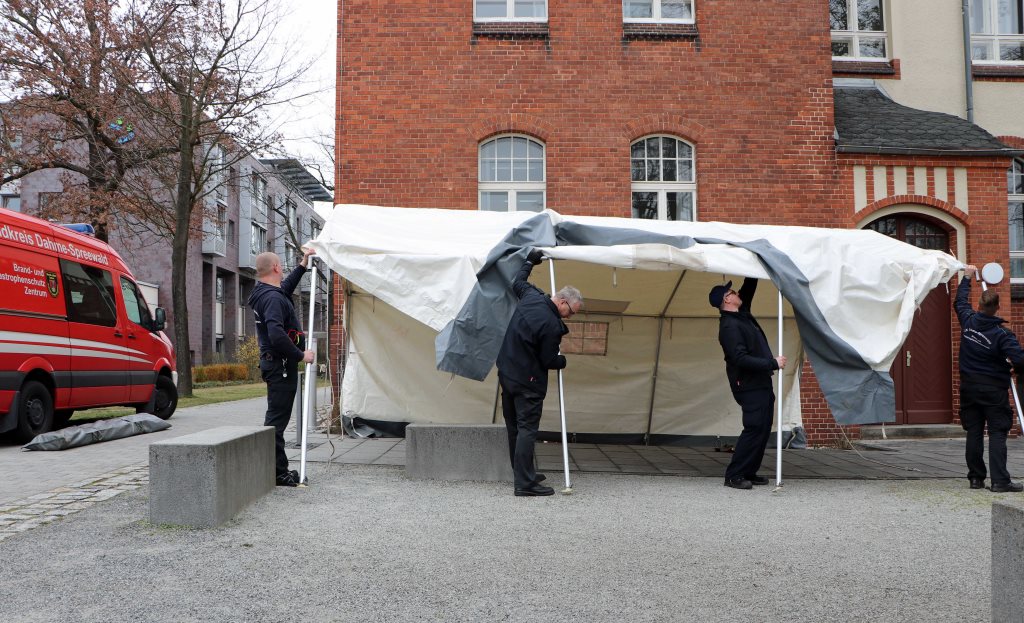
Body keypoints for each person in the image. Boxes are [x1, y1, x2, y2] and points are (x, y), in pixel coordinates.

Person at [497, 249, 583, 497]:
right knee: (527, 429)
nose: (571, 316)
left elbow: (518, 282)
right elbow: (548, 360)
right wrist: (562, 360)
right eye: (572, 312)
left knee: (514, 427)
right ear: (563, 302)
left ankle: (522, 472)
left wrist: (529, 262)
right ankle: (524, 484)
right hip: (528, 383)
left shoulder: (531, 296)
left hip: (507, 373)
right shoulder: (552, 325)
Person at [710, 277, 787, 490]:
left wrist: (752, 266)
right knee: (753, 428)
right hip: (748, 384)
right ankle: (734, 475)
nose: (737, 294)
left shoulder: (742, 314)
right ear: (727, 300)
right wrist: (772, 363)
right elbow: (739, 358)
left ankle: (749, 471)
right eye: (733, 292)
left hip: (760, 381)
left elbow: (749, 287)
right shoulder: (729, 326)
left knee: (763, 428)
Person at [248, 248, 316, 487]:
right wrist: (301, 355)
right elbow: (276, 334)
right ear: (276, 267)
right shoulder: (273, 298)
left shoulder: (265, 293)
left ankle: (276, 469)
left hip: (275, 364)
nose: (283, 269)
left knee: (276, 419)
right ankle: (278, 473)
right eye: (282, 266)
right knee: (277, 421)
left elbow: (285, 288)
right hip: (281, 366)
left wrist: (302, 265)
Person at [955, 265, 1024, 492]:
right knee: (997, 433)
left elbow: (960, 303)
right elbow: (1020, 360)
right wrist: (1013, 368)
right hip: (994, 390)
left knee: (974, 432)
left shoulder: (968, 322)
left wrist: (966, 277)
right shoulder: (1003, 335)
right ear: (997, 308)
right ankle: (1000, 481)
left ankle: (976, 478)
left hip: (969, 389)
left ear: (979, 306)